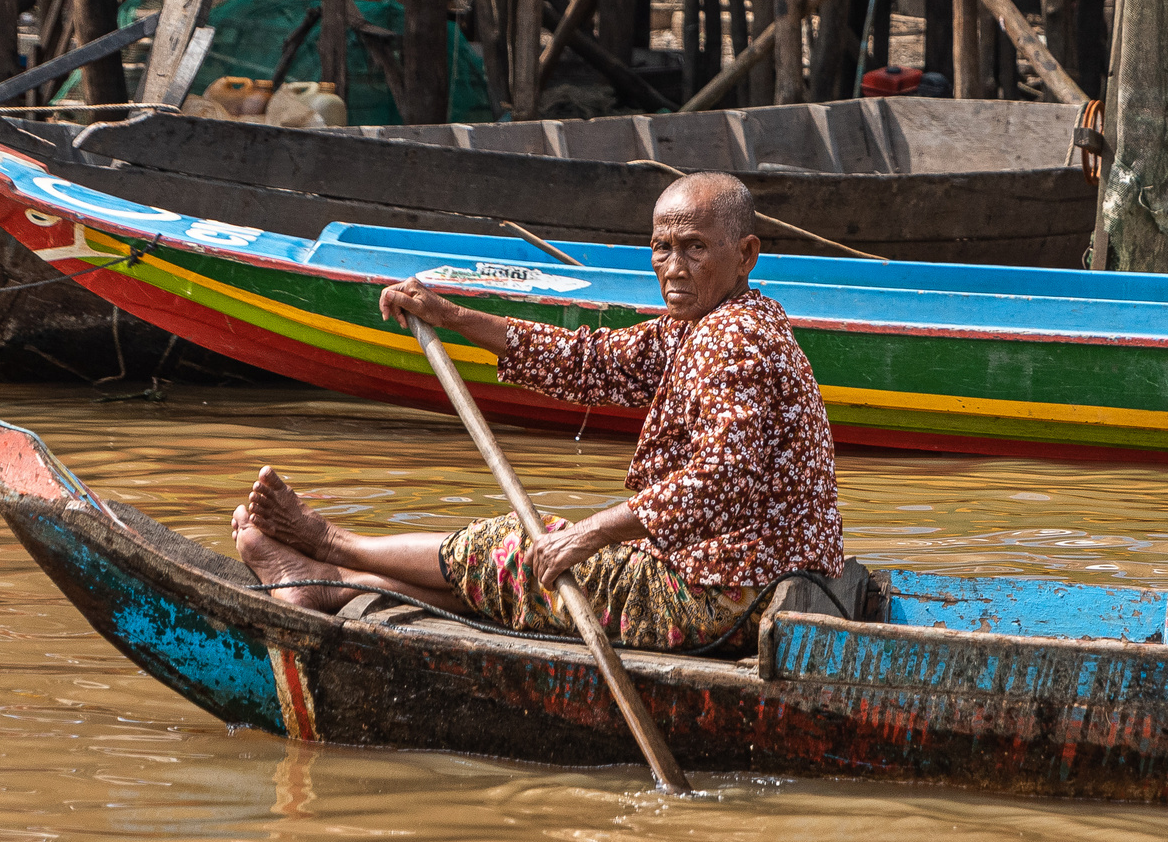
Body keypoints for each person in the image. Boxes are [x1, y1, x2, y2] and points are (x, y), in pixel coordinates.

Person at [231, 171, 843, 653]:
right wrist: (453, 317)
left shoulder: (733, 340)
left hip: (721, 599)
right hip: (726, 573)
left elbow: (718, 479)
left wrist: (589, 533)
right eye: (662, 248)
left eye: (694, 249)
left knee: (513, 549)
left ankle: (329, 542)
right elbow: (587, 361)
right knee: (523, 567)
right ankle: (331, 586)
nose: (673, 268)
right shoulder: (708, 323)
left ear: (746, 254)